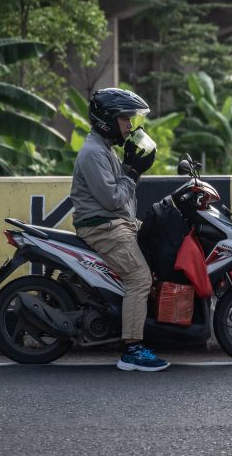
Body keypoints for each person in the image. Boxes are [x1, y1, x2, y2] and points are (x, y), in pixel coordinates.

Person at [70, 87, 169, 372]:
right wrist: (133, 172)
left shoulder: (105, 150)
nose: (129, 125)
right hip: (103, 228)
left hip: (118, 223)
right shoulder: (92, 153)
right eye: (125, 119)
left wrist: (130, 169)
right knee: (139, 277)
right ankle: (132, 350)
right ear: (107, 120)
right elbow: (112, 198)